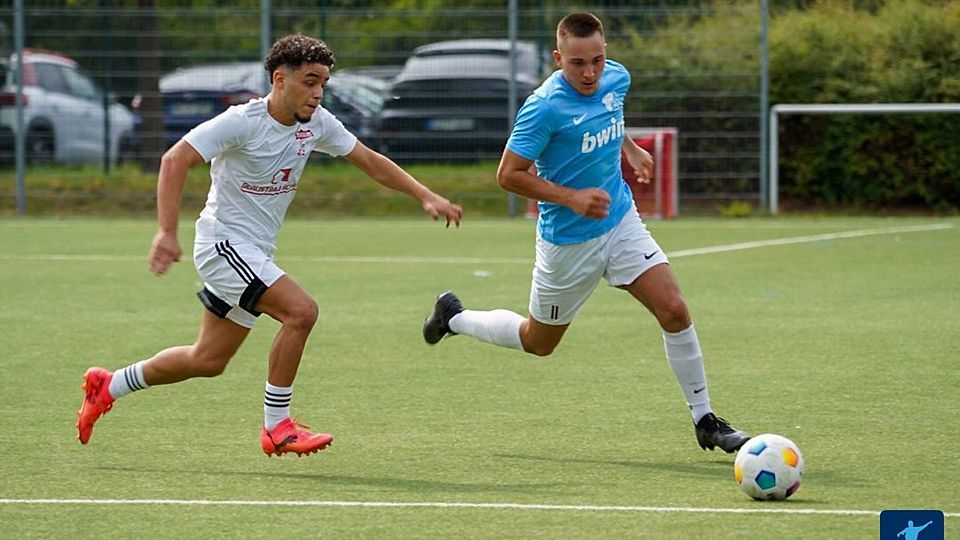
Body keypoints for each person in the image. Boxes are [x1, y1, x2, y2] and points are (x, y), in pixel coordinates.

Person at [77, 34, 463, 457]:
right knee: (301, 311)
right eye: (309, 82)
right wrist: (166, 233)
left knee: (207, 359)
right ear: (279, 79)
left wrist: (425, 194)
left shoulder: (317, 123)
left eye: (324, 84)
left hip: (252, 253)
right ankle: (277, 426)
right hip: (222, 245)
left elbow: (369, 160)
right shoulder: (241, 122)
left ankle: (109, 385)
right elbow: (175, 160)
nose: (317, 94)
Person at [422, 12, 749, 453]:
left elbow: (609, 115)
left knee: (673, 310)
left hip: (620, 221)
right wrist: (571, 197)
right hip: (568, 242)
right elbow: (508, 175)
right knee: (538, 342)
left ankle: (705, 418)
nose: (590, 72)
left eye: (597, 59)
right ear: (559, 58)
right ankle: (455, 318)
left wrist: (630, 149)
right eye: (577, 64)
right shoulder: (543, 107)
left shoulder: (616, 78)